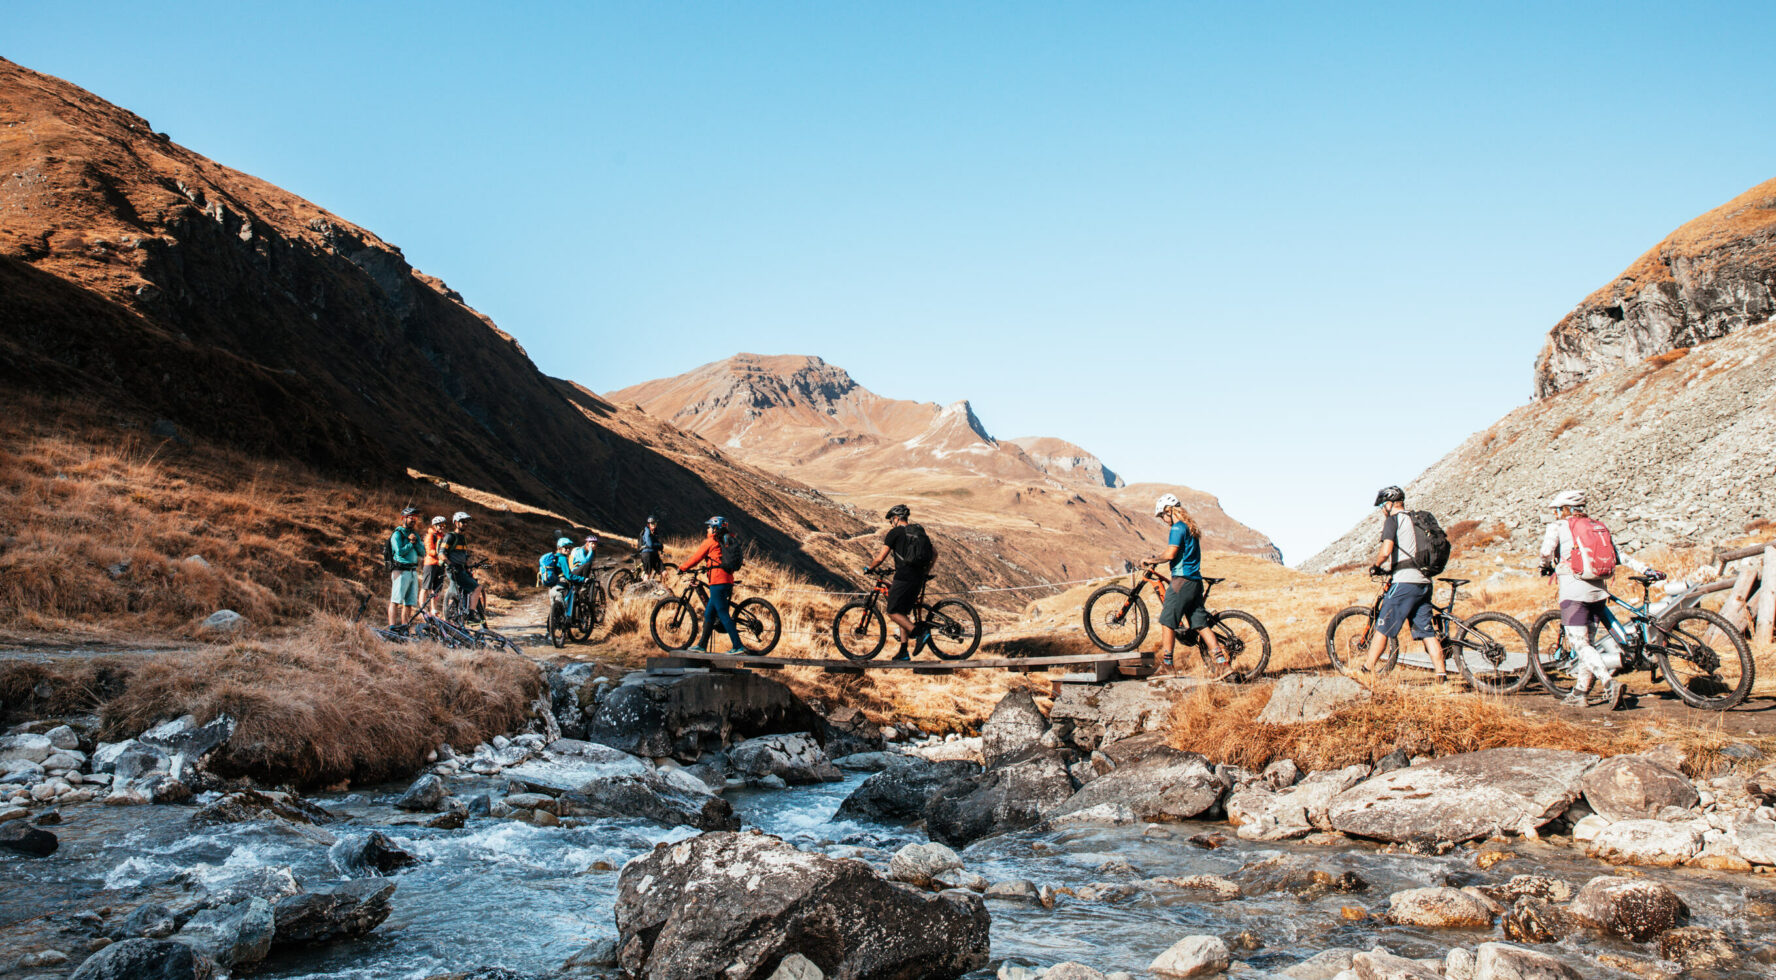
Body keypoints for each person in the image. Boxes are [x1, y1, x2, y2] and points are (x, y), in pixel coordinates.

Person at [1539, 490, 1662, 707]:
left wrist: (1545, 566)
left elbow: (1546, 552)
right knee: (1590, 644)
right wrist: (1646, 568)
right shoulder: (1596, 527)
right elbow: (1618, 555)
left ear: (1563, 509)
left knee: (1580, 643)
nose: (1555, 514)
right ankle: (1580, 693)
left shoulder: (1558, 527)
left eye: (1557, 510)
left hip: (1574, 591)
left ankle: (1609, 684)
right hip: (1598, 592)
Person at [1355, 486, 1449, 683]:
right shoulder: (1416, 520)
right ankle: (1441, 675)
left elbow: (1386, 550)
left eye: (1382, 505)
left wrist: (1376, 565)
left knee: (1383, 626)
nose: (1382, 509)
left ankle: (1366, 670)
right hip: (1423, 582)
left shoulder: (1393, 520)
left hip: (1404, 583)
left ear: (1389, 504)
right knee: (1427, 631)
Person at [1142, 493, 1226, 673]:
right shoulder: (1191, 528)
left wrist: (1152, 560)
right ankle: (1223, 664)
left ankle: (1167, 665)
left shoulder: (1178, 528)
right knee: (1200, 624)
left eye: (1162, 516)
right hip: (1196, 581)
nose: (1163, 520)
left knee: (1167, 620)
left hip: (1182, 581)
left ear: (1169, 510)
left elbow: (1171, 554)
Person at [865, 504, 938, 661]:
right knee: (902, 613)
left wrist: (869, 568)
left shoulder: (894, 533)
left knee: (892, 612)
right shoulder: (918, 531)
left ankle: (919, 632)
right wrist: (925, 571)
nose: (891, 523)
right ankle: (903, 651)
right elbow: (934, 553)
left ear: (896, 518)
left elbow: (880, 557)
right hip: (917, 578)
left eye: (891, 520)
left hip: (904, 577)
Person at [674, 516, 744, 653]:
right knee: (709, 614)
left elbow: (696, 557)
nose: (707, 529)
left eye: (708, 527)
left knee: (723, 614)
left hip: (718, 581)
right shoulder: (725, 541)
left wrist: (682, 568)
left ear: (714, 528)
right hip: (727, 580)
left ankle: (737, 645)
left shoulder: (710, 541)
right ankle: (702, 645)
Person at [441, 510, 486, 624]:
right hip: (454, 569)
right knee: (477, 588)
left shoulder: (463, 538)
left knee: (465, 591)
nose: (465, 524)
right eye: (462, 522)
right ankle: (471, 615)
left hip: (461, 569)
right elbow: (441, 554)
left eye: (466, 522)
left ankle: (462, 615)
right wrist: (450, 564)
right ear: (456, 523)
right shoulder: (450, 536)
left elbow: (464, 556)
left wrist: (467, 566)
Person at [388, 506, 423, 627]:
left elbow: (422, 552)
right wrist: (410, 543)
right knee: (395, 600)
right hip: (400, 570)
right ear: (403, 518)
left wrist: (415, 542)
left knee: (409, 603)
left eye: (415, 517)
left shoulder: (415, 535)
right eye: (411, 517)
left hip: (413, 571)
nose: (413, 520)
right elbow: (399, 551)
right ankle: (392, 626)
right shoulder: (397, 534)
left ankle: (404, 626)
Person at [539, 536, 582, 614]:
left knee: (554, 613)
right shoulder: (562, 559)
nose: (568, 550)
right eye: (566, 548)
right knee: (563, 612)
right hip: (561, 586)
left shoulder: (553, 558)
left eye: (570, 548)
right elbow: (569, 576)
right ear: (559, 548)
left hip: (552, 588)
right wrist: (583, 579)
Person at [421, 515, 448, 614]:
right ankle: (422, 607)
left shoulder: (444, 537)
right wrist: (439, 554)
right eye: (440, 525)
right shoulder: (430, 535)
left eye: (444, 525)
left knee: (436, 588)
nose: (442, 527)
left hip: (440, 565)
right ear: (435, 526)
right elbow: (429, 550)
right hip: (430, 563)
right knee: (425, 587)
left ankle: (433, 608)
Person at [638, 516, 664, 582]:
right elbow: (650, 544)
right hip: (647, 554)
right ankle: (644, 588)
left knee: (647, 571)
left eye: (655, 523)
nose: (654, 525)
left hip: (652, 554)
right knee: (647, 574)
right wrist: (659, 545)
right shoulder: (647, 532)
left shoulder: (654, 532)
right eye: (652, 524)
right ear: (648, 524)